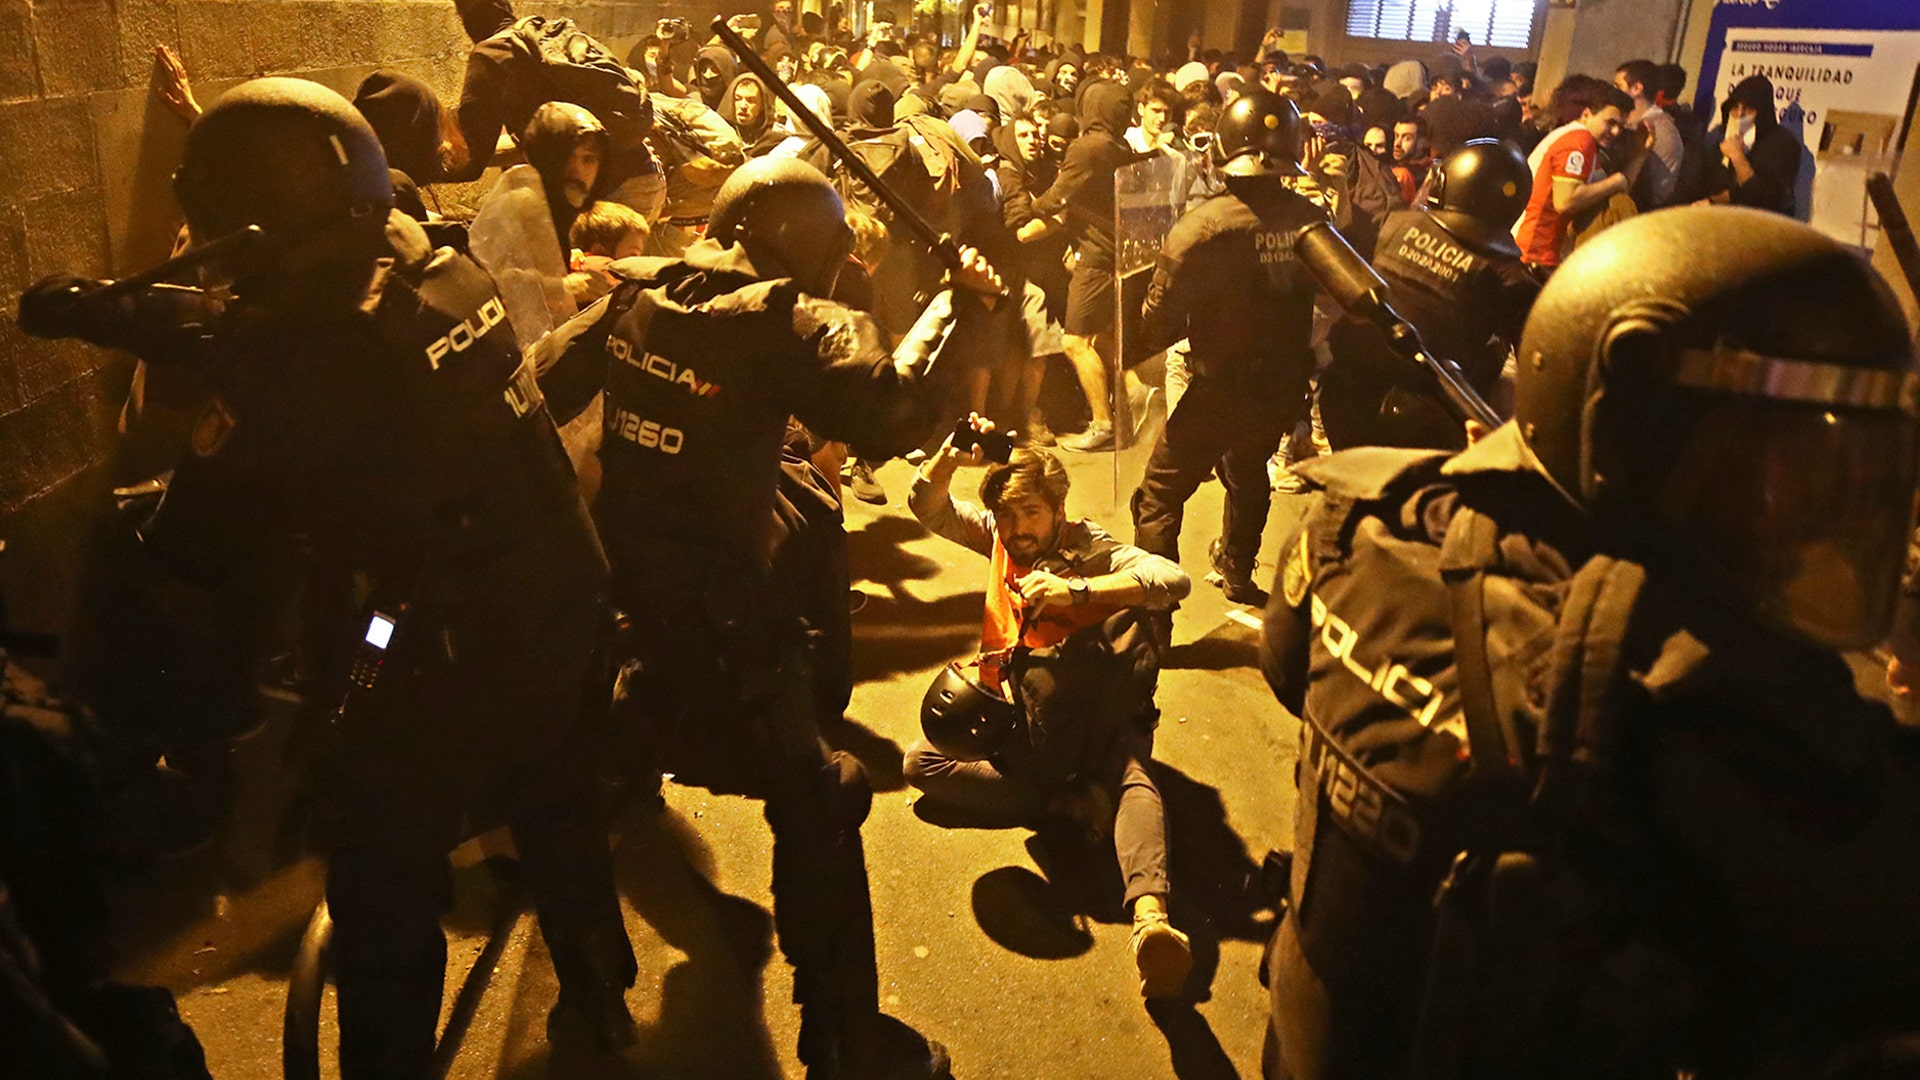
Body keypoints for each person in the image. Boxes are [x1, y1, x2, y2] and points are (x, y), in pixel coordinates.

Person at [19, 77, 638, 1074]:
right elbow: (265, 327)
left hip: (437, 639)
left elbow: (203, 543)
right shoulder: (424, 257)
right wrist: (111, 314)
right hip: (559, 589)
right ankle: (602, 1005)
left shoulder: (298, 379)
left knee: (378, 861)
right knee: (553, 790)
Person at [1260, 205, 1920, 1079]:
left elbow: (1284, 667)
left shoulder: (1364, 525)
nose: (1809, 508)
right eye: (1777, 462)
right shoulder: (1718, 706)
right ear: (1633, 424)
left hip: (1317, 1035)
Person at [535, 157, 1004, 1079]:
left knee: (574, 790)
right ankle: (844, 1044)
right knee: (821, 803)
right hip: (726, 636)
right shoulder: (784, 325)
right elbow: (893, 416)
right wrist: (968, 307)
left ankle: (589, 998)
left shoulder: (643, 292)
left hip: (626, 613)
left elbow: (536, 381)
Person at [904, 421, 1193, 999]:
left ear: (1058, 508)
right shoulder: (1000, 536)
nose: (1018, 530)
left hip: (1102, 719)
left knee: (1133, 776)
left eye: (1031, 513)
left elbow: (1173, 579)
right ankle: (1064, 800)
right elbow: (926, 506)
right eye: (1008, 517)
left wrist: (1083, 592)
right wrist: (949, 458)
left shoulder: (1092, 549)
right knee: (920, 766)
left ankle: (1150, 922)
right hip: (1031, 725)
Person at [1129, 90, 1326, 609]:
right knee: (1247, 471)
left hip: (1219, 386)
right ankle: (1237, 571)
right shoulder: (1310, 219)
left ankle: (1154, 617)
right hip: (1280, 387)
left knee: (1158, 497)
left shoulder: (1202, 225)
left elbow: (1158, 318)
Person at [1318, 139, 1540, 452]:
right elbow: (1539, 373)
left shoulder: (1391, 225)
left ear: (1443, 184)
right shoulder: (1511, 279)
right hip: (1431, 425)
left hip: (1344, 401)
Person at [445, 0, 664, 219]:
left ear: (464, 18)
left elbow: (471, 161)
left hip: (604, 196)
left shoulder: (491, 54)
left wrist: (420, 170)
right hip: (645, 178)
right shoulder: (548, 33)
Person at [1031, 81, 1142, 452]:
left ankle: (1102, 424)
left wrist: (1030, 207)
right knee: (1108, 341)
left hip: (1096, 255)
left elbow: (1057, 197)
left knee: (1075, 342)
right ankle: (1135, 416)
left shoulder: (1086, 147)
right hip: (1118, 250)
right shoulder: (1117, 145)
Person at [1513, 76, 1641, 275]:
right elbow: (1566, 201)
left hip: (1533, 250)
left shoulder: (1579, 138)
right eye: (1611, 123)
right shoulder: (1579, 143)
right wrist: (1616, 181)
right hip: (1532, 252)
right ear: (1587, 114)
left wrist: (1642, 153)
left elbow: (1610, 186)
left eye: (1621, 127)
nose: (1616, 131)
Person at [1701, 73, 1802, 217]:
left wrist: (1737, 157)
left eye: (1748, 108)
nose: (1740, 114)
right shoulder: (1724, 137)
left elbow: (1764, 199)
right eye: (1735, 107)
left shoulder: (1782, 144)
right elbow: (1725, 189)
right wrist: (1711, 201)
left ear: (1762, 111)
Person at [521, 101, 610, 262]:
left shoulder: (569, 215)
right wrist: (568, 286)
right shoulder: (521, 212)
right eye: (566, 157)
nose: (577, 170)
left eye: (589, 159)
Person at [1615, 59, 1683, 209]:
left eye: (1618, 86)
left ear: (1637, 88)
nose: (1613, 93)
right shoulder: (1643, 122)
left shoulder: (1654, 128)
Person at [1389, 116, 1430, 205]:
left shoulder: (1430, 175)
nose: (1397, 144)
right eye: (1396, 136)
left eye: (1407, 138)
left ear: (1422, 142)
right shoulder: (1388, 166)